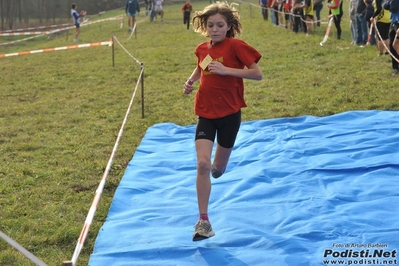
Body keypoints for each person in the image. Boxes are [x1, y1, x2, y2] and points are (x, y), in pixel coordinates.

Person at [183, 2, 263, 241]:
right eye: (211, 25)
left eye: (220, 25)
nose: (215, 29)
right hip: (206, 112)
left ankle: (220, 168)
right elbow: (201, 67)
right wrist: (190, 81)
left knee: (217, 168)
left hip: (229, 115)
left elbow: (257, 74)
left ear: (229, 27)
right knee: (202, 165)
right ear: (205, 27)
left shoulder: (236, 46)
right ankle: (203, 221)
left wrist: (228, 70)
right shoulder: (203, 49)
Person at [383, 0, 399, 74]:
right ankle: (395, 67)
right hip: (393, 22)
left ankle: (397, 66)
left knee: (396, 45)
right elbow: (384, 5)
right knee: (392, 45)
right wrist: (389, 3)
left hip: (398, 23)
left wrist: (389, 4)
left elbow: (393, 8)